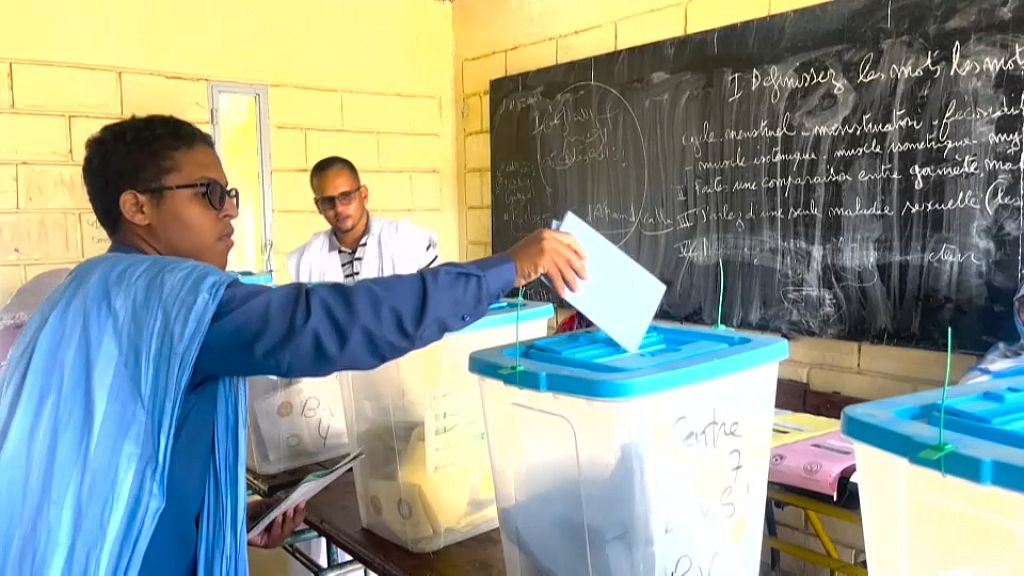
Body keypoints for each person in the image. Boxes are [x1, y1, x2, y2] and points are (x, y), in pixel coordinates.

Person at [0, 115, 586, 575]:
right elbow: (329, 322)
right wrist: (503, 269)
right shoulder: (171, 300)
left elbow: (122, 465)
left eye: (229, 193)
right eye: (208, 194)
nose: (230, 211)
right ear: (137, 207)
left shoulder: (76, 292)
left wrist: (228, 524)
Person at [287, 156, 439, 283]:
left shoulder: (407, 239)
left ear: (364, 195)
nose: (338, 208)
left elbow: (440, 297)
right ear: (318, 206)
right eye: (328, 201)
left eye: (346, 196)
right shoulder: (305, 260)